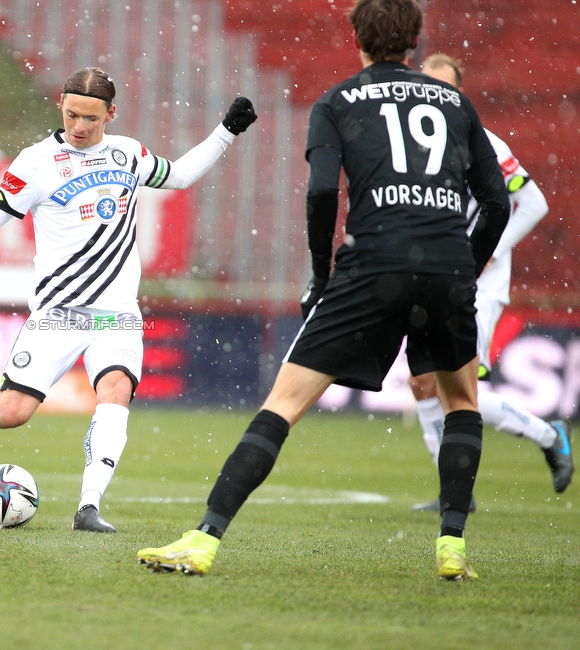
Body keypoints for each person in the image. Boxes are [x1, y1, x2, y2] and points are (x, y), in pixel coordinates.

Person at [137, 0, 510, 580]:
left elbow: (319, 194)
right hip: (445, 266)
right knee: (461, 402)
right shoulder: (457, 102)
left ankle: (205, 538)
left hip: (373, 265)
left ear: (357, 38)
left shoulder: (337, 102)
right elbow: (496, 201)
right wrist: (465, 265)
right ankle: (452, 545)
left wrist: (320, 272)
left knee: (283, 404)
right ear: (414, 40)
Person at [0, 66, 257, 533]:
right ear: (60, 104)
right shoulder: (36, 162)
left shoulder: (128, 154)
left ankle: (89, 507)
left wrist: (226, 132)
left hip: (117, 315)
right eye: (72, 114)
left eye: (92, 119)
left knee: (116, 390)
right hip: (59, 313)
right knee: (10, 414)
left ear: (111, 114)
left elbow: (178, 176)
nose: (79, 127)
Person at [406, 53, 572, 509]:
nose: (436, 95)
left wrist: (491, 252)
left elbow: (533, 203)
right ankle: (453, 490)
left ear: (459, 93)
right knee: (422, 383)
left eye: (446, 88)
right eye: (429, 86)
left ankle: (548, 433)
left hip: (476, 283)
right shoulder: (412, 142)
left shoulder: (485, 143)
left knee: (459, 387)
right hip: (429, 276)